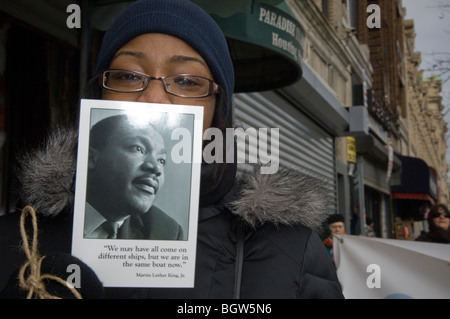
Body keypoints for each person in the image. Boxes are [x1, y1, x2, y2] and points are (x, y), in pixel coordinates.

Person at [0, 0, 344, 298]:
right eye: (128, 75)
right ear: (99, 95)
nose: (152, 97)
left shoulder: (290, 253)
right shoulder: (20, 241)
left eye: (186, 81)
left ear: (217, 111)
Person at [84, 114, 183, 240]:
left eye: (161, 160)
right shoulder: (52, 217)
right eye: (138, 149)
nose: (156, 168)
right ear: (90, 158)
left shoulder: (168, 232)